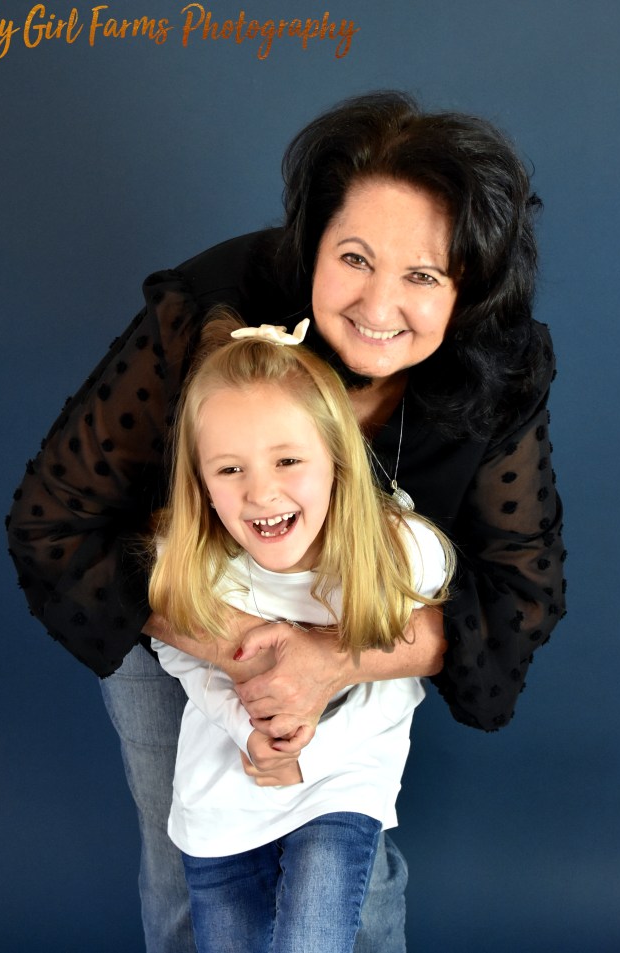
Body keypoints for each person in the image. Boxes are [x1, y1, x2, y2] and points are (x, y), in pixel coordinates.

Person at [6, 90, 566, 952]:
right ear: (313, 243)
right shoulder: (209, 308)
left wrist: (331, 657)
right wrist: (246, 650)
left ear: (470, 287)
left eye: (423, 275)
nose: (379, 304)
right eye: (355, 257)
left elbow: (519, 596)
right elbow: (56, 524)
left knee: (352, 886)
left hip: (362, 618)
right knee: (191, 865)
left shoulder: (499, 362)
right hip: (181, 602)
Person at [147, 316, 454, 953]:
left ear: (337, 458)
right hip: (223, 796)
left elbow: (394, 687)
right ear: (200, 482)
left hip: (338, 787)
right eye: (229, 469)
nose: (262, 492)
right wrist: (249, 735)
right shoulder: (199, 562)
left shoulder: (397, 552)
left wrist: (308, 753)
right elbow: (185, 660)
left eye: (288, 460)